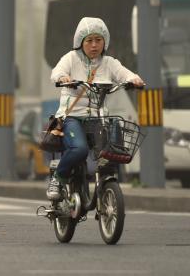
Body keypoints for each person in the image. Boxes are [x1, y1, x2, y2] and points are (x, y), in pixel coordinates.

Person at [46, 17, 145, 200]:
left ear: (104, 42)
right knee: (80, 150)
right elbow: (57, 72)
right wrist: (62, 78)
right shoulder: (71, 58)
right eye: (89, 40)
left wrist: (134, 80)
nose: (94, 45)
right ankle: (58, 179)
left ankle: (106, 185)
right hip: (72, 118)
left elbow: (124, 73)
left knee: (110, 151)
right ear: (80, 42)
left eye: (98, 40)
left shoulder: (108, 62)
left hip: (98, 118)